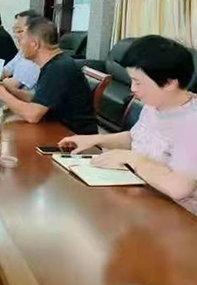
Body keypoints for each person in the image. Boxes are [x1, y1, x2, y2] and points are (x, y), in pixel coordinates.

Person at [59, 35, 197, 216]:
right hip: (142, 196)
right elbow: (135, 137)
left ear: (170, 83)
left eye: (138, 82)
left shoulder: (191, 123)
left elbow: (179, 188)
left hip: (178, 216)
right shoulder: (154, 104)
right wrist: (95, 140)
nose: (132, 88)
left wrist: (133, 159)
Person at [0, 17, 98, 134]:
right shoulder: (55, 63)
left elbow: (32, 115)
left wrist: (2, 94)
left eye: (21, 40)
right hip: (56, 128)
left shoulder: (57, 68)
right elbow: (40, 99)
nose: (20, 46)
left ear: (35, 44)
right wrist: (12, 91)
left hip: (72, 137)